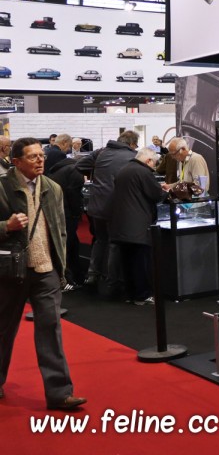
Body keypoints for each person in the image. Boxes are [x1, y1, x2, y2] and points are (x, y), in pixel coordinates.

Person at [0, 137, 86, 410]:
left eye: (41, 155)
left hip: (46, 270)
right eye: (32, 156)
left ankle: (60, 393)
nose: (40, 160)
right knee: (3, 330)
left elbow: (60, 230)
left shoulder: (53, 188)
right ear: (16, 162)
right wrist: (6, 226)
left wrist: (60, 267)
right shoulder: (2, 188)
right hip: (10, 272)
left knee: (50, 329)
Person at [76, 129, 139, 294]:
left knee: (100, 240)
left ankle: (92, 275)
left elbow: (79, 165)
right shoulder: (132, 157)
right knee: (114, 244)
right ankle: (112, 281)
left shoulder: (101, 152)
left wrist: (96, 175)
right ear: (132, 144)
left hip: (96, 205)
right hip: (116, 207)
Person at [109, 148, 166, 305]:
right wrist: (168, 191)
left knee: (127, 262)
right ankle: (143, 295)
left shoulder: (124, 170)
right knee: (141, 262)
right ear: (148, 161)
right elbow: (157, 195)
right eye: (154, 163)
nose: (154, 167)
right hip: (138, 225)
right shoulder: (143, 172)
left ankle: (131, 294)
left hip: (121, 224)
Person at [44, 134, 85, 289]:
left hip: (55, 207)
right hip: (66, 212)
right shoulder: (71, 167)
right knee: (67, 243)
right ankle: (66, 279)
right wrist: (77, 212)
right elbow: (73, 193)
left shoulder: (55, 163)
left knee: (68, 243)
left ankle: (71, 277)